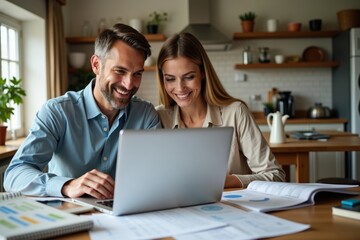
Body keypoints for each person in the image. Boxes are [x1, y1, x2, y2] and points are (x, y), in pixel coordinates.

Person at [4, 24, 161, 198]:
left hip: (129, 216)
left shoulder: (146, 115)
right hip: (68, 216)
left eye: (137, 74)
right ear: (96, 65)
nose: (129, 84)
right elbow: (14, 175)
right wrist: (67, 185)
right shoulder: (58, 112)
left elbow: (158, 175)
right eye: (120, 71)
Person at [155, 32, 285, 188]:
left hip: (233, 209)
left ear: (203, 73)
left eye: (189, 77)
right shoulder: (159, 116)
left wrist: (226, 181)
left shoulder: (236, 113)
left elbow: (276, 176)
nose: (180, 87)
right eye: (170, 79)